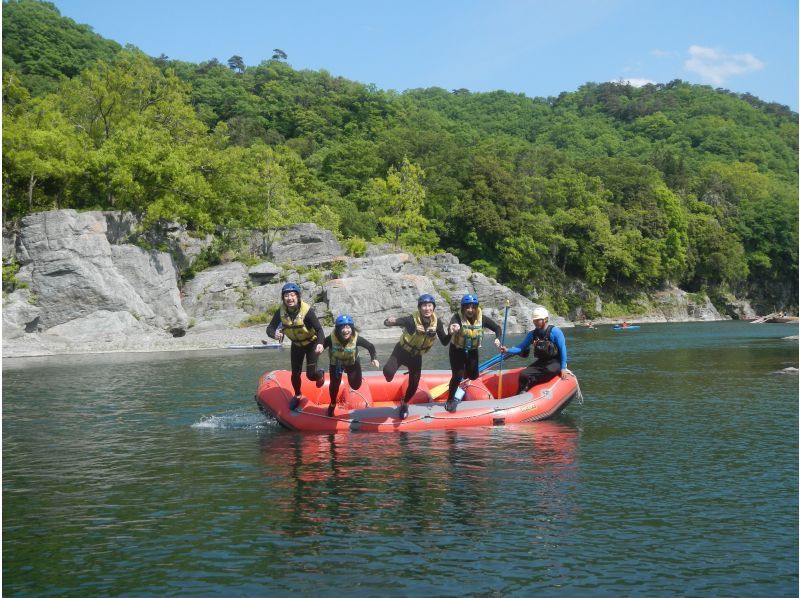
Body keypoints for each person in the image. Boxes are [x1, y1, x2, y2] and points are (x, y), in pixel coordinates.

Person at [383, 293, 450, 420]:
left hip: (416, 356)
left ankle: (405, 403)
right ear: (419, 308)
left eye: (430, 305)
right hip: (401, 351)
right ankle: (390, 373)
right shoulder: (411, 320)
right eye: (424, 306)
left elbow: (445, 342)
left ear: (433, 308)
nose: (427, 308)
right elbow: (396, 321)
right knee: (388, 373)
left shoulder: (437, 323)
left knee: (414, 384)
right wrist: (389, 322)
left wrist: (451, 333)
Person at [265, 282, 325, 410]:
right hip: (297, 345)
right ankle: (297, 395)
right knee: (295, 374)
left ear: (297, 297)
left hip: (311, 343)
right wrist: (274, 334)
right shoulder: (280, 312)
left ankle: (320, 374)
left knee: (310, 375)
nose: (289, 298)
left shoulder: (307, 311)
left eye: (292, 295)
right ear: (283, 298)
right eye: (286, 295)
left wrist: (320, 343)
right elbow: (269, 328)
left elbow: (319, 330)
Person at [444, 294, 504, 412]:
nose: (470, 310)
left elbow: (497, 328)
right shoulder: (457, 317)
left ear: (476, 308)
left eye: (473, 307)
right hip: (457, 350)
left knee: (473, 376)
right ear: (463, 308)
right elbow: (452, 325)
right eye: (467, 307)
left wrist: (497, 338)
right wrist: (452, 329)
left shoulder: (482, 319)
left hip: (472, 350)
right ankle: (450, 399)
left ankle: (466, 370)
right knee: (458, 376)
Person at [322, 314, 380, 417]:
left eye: (348, 327)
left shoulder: (356, 338)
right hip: (337, 363)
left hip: (351, 362)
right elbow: (321, 345)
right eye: (342, 327)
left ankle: (351, 374)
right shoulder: (331, 338)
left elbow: (370, 346)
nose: (345, 330)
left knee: (356, 385)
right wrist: (319, 348)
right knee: (334, 386)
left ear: (351, 328)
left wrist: (374, 358)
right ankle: (332, 404)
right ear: (338, 329)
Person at [507, 306, 569, 394]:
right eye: (534, 320)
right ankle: (519, 394)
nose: (535, 322)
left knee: (549, 371)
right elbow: (521, 347)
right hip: (542, 362)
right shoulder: (532, 334)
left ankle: (531, 384)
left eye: (537, 320)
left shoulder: (555, 332)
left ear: (545, 319)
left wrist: (563, 367)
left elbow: (563, 348)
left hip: (555, 362)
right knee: (523, 375)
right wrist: (507, 350)